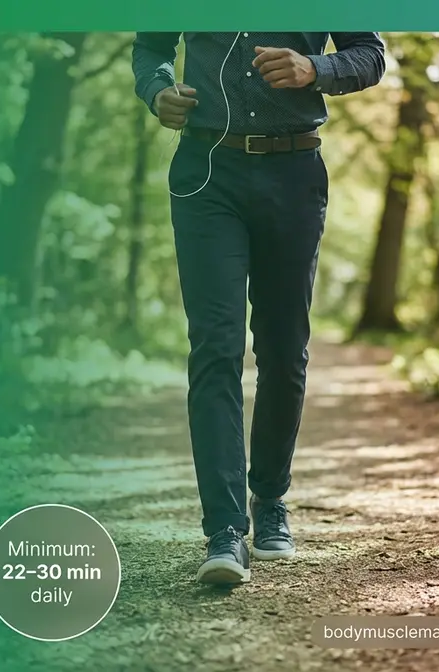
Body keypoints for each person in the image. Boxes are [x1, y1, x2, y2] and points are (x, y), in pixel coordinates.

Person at [131, 32, 386, 585]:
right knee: (216, 343)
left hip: (293, 174)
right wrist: (156, 91)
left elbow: (371, 55)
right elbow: (149, 49)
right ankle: (224, 529)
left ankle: (269, 497)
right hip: (205, 174)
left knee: (282, 349)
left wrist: (313, 68)